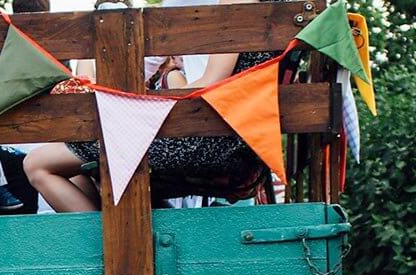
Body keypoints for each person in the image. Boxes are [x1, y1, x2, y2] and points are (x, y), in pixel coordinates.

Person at [25, 0, 273, 212]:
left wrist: (143, 109)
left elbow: (210, 83)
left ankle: (114, 254)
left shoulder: (234, 3)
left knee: (37, 164)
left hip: (212, 139)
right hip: (218, 132)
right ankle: (123, 242)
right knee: (74, 162)